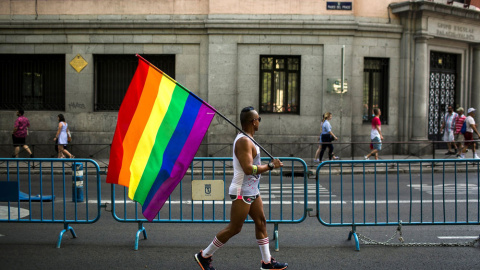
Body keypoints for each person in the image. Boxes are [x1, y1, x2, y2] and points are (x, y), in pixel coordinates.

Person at [195, 106, 288, 270]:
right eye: (259, 119)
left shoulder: (248, 138)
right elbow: (247, 168)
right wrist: (270, 166)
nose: (260, 122)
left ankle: (267, 262)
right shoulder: (244, 141)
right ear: (253, 121)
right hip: (241, 191)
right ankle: (204, 255)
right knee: (234, 228)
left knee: (261, 222)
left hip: (252, 190)